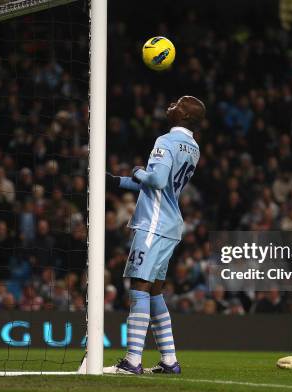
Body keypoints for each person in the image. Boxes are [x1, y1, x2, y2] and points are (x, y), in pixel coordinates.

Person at [103, 96, 205, 375]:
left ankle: (132, 361)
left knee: (139, 287)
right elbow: (162, 188)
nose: (170, 105)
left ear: (184, 116)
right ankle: (169, 360)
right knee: (156, 291)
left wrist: (137, 170)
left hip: (153, 224)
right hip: (171, 225)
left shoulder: (165, 141)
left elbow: (156, 180)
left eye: (177, 104)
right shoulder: (193, 148)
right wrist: (118, 182)